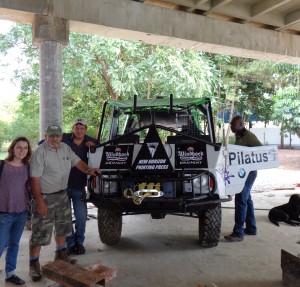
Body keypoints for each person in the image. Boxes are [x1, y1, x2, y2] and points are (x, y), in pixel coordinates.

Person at [29, 125, 100, 282]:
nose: (55, 139)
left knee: (63, 228)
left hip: (62, 195)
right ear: (46, 136)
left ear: (61, 136)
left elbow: (78, 162)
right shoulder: (40, 152)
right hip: (45, 197)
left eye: (57, 136)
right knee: (40, 233)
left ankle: (61, 256)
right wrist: (39, 201)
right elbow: (34, 179)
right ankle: (33, 264)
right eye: (51, 136)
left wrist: (89, 170)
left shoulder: (65, 148)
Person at [224, 115, 262, 242]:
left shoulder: (249, 136)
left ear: (240, 124)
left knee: (241, 199)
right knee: (247, 199)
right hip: (242, 172)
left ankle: (238, 233)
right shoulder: (239, 136)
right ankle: (251, 228)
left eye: (233, 125)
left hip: (249, 173)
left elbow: (261, 150)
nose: (231, 126)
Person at [62, 118, 97, 255]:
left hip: (79, 186)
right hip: (62, 186)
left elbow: (105, 152)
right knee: (65, 218)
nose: (79, 130)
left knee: (81, 216)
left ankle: (79, 242)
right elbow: (44, 142)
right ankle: (70, 243)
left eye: (82, 128)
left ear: (85, 129)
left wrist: (94, 147)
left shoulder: (91, 141)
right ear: (73, 128)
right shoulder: (63, 138)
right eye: (77, 128)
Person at [0, 137, 32, 285]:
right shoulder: (2, 165)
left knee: (14, 244)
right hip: (4, 212)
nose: (22, 151)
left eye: (25, 148)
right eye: (19, 147)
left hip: (22, 212)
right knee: (1, 244)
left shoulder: (28, 167)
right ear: (12, 148)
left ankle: (10, 273)